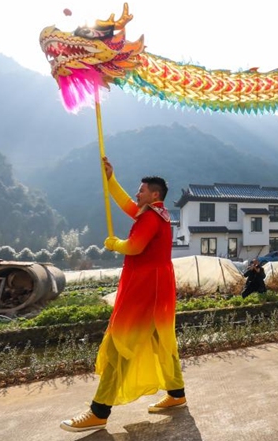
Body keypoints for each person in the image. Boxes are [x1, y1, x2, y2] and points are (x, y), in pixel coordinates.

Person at [61, 158, 186, 432]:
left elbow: (135, 246)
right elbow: (126, 204)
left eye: (141, 190)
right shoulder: (155, 213)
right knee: (162, 340)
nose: (137, 194)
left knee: (121, 344)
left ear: (154, 194)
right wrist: (110, 178)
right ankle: (177, 394)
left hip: (145, 288)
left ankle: (99, 410)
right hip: (157, 285)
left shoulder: (151, 217)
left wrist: (114, 244)